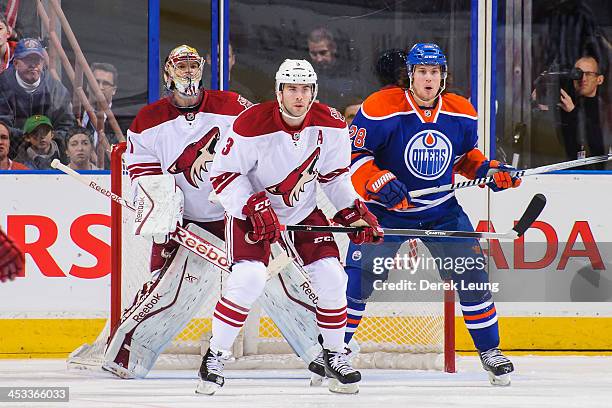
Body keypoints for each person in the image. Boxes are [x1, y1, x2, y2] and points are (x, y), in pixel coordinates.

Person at [344, 43, 521, 386]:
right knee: (358, 280)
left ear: (443, 76)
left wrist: (491, 170)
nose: (428, 78)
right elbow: (356, 157)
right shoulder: (381, 108)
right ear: (410, 76)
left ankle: (490, 351)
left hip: (442, 211)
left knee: (472, 277)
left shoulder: (462, 112)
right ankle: (336, 351)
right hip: (387, 213)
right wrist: (375, 180)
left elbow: (464, 158)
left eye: (435, 72)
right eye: (422, 72)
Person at [203, 59, 382, 395]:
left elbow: (334, 177)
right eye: (292, 89)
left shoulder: (329, 124)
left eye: (305, 89)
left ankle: (333, 354)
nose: (298, 96)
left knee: (332, 276)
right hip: (250, 213)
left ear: (313, 92)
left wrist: (354, 212)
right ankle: (215, 355)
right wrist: (251, 204)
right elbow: (224, 176)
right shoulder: (251, 123)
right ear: (279, 90)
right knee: (249, 278)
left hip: (302, 212)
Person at [100, 44, 253, 379]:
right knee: (161, 286)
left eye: (193, 65)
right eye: (180, 66)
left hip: (232, 217)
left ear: (202, 71)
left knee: (268, 278)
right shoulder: (147, 119)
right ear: (167, 73)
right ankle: (129, 353)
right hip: (181, 221)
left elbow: (260, 142)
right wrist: (161, 205)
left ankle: (321, 349)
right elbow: (140, 167)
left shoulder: (231, 105)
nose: (188, 71)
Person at [0, 37, 75, 155]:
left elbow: (67, 128)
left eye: (37, 60)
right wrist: (34, 139)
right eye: (27, 60)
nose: (33, 65)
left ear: (43, 63)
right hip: (10, 157)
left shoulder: (57, 90)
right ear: (15, 63)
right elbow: (2, 128)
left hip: (49, 156)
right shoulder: (2, 85)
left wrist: (47, 143)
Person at [558, 56, 609, 167]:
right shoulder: (562, 104)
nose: (583, 79)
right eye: (578, 73)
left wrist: (573, 113)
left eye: (589, 74)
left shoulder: (605, 111)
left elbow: (599, 145)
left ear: (599, 79)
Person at [306, 27, 363, 110]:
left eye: (323, 53)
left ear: (333, 48)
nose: (319, 59)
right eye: (313, 54)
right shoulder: (306, 74)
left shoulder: (351, 73)